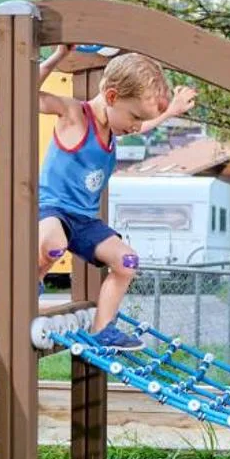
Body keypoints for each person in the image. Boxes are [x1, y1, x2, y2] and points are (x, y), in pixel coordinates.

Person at [35, 46, 197, 350]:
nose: (136, 128)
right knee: (53, 245)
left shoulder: (114, 127)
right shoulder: (74, 114)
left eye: (140, 121)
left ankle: (102, 330)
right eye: (134, 117)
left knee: (127, 261)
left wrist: (171, 111)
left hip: (84, 220)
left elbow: (145, 122)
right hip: (51, 210)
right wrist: (56, 57)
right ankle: (31, 283)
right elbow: (26, 95)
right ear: (111, 97)